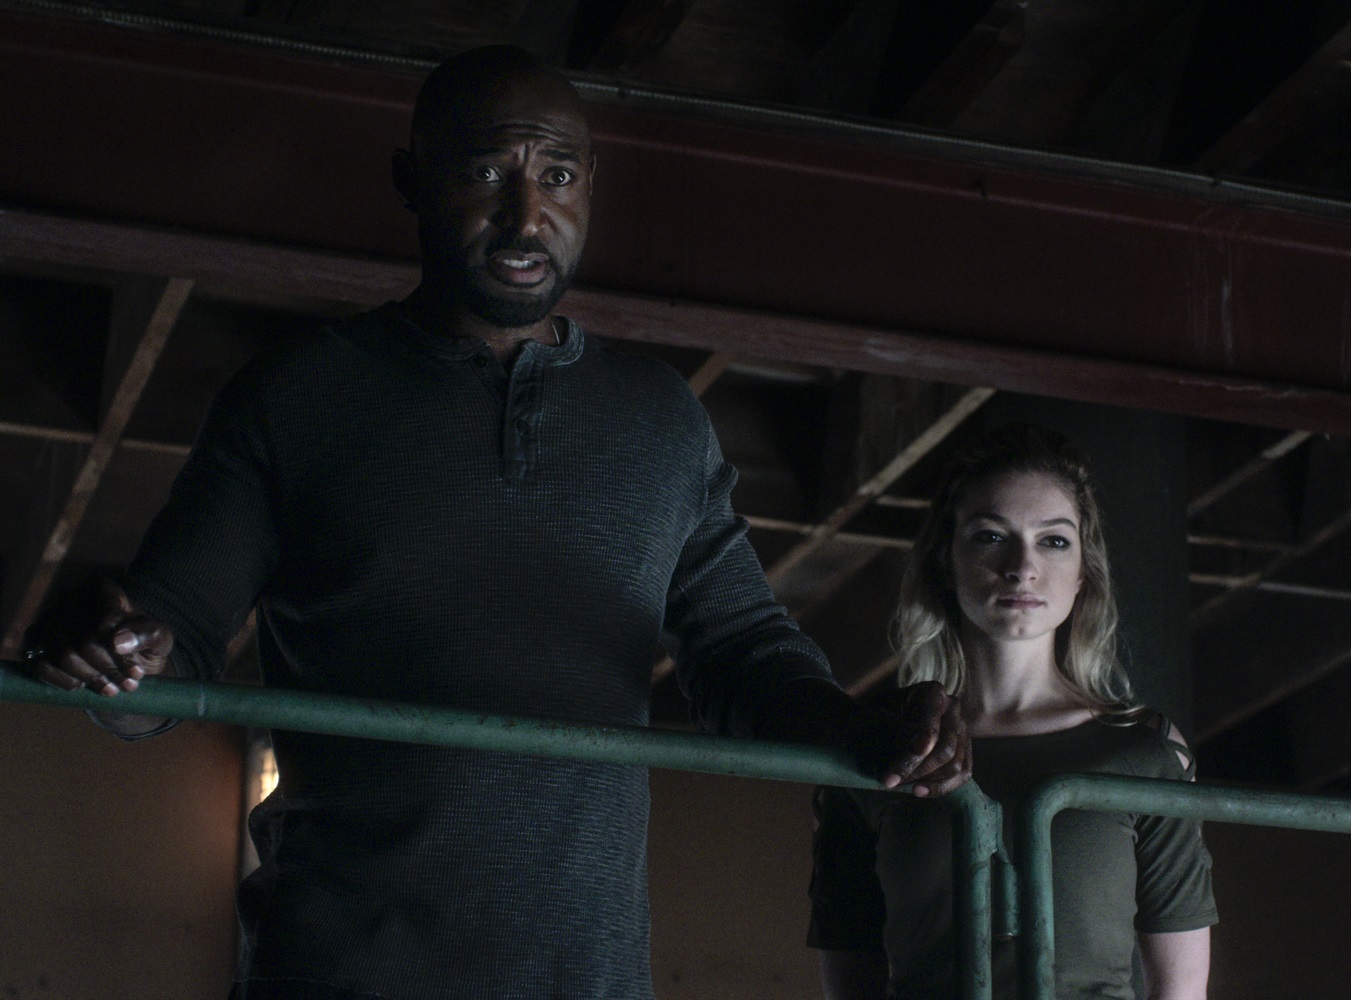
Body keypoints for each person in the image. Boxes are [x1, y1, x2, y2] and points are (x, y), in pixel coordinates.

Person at [19, 45, 970, 1000]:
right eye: (484, 174)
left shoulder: (660, 422)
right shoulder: (300, 397)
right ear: (412, 182)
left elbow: (744, 653)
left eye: (556, 177)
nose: (526, 216)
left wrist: (869, 728)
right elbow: (170, 644)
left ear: (591, 184)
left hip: (584, 981)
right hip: (339, 977)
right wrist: (109, 662)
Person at [807, 424, 1216, 1000]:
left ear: (1084, 572)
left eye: (1054, 541)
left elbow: (1181, 990)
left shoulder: (1145, 750)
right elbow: (850, 979)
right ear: (946, 561)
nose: (1023, 566)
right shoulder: (885, 743)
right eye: (990, 536)